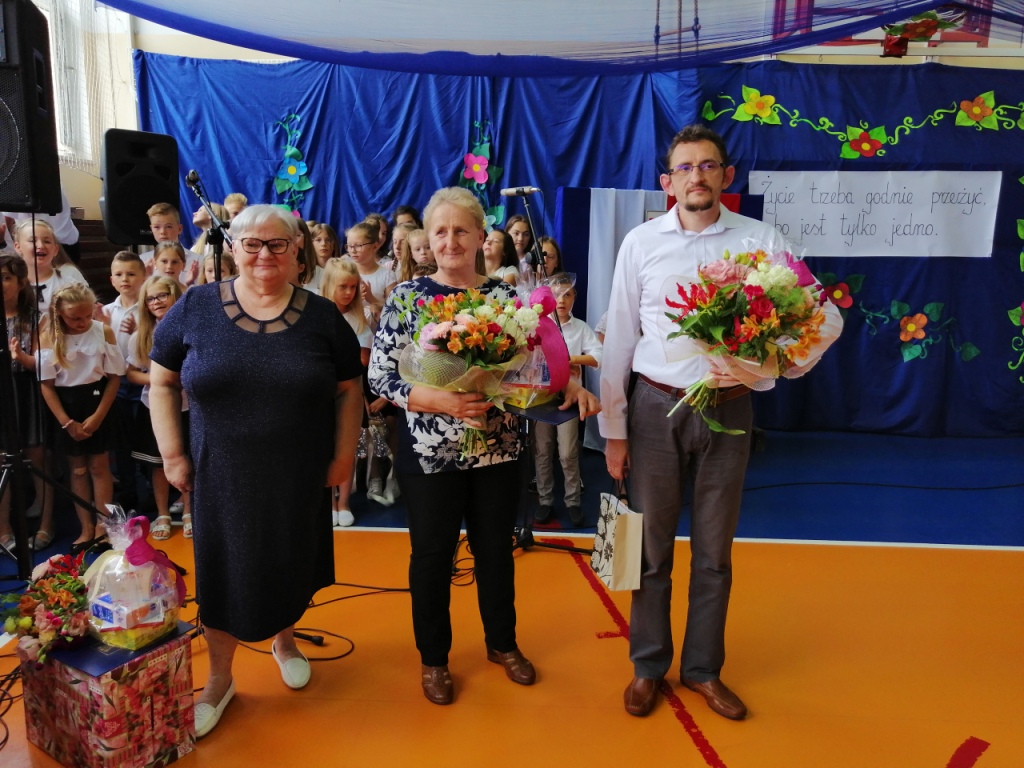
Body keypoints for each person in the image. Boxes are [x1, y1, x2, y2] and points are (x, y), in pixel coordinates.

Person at [599, 124, 843, 721]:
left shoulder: (761, 241)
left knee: (714, 552)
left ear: (726, 176)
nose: (697, 177)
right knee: (651, 552)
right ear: (668, 182)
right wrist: (614, 432)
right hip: (654, 409)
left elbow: (823, 317)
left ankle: (704, 670)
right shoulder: (640, 243)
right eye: (685, 167)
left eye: (708, 165)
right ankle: (647, 667)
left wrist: (769, 367)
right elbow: (620, 340)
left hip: (730, 409)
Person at [368, 186, 600, 706]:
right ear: (428, 239)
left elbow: (536, 365)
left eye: (461, 230)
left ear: (480, 236)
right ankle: (434, 658)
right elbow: (382, 377)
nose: (450, 240)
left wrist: (568, 384)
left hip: (499, 447)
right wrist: (440, 400)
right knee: (432, 556)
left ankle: (503, 643)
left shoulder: (505, 298)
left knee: (496, 550)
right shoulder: (406, 298)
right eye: (440, 231)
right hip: (430, 451)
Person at [148, 204, 364, 738]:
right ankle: (219, 679)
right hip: (219, 475)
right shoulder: (196, 306)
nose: (264, 254)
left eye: (277, 244)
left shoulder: (322, 317)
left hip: (298, 473)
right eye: (252, 244)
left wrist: (342, 457)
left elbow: (348, 390)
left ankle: (284, 641)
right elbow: (162, 381)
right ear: (234, 248)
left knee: (288, 560)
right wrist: (172, 454)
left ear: (296, 251)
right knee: (223, 574)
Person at [38, 283, 126, 548]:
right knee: (77, 470)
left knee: (99, 467)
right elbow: (46, 385)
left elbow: (114, 378)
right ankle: (85, 526)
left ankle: (102, 524)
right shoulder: (49, 337)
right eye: (75, 318)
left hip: (97, 402)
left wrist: (98, 416)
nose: (83, 322)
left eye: (88, 316)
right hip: (66, 408)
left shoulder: (103, 331)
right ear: (59, 313)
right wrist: (66, 422)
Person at [534, 273, 602, 528]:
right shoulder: (539, 325)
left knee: (568, 452)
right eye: (555, 295)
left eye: (567, 295)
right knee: (542, 451)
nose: (561, 300)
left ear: (574, 298)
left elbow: (598, 356)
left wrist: (571, 360)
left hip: (570, 399)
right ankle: (545, 500)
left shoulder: (580, 327)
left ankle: (573, 501)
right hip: (541, 399)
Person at [126, 277, 188, 540]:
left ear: (175, 295)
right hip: (154, 405)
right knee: (158, 463)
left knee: (189, 458)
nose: (156, 302)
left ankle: (189, 511)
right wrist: (158, 380)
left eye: (162, 295)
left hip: (188, 405)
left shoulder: (190, 328)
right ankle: (162, 513)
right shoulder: (142, 335)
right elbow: (131, 372)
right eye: (150, 298)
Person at [0, 255, 51, 551]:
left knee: (38, 460)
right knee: (2, 462)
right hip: (2, 392)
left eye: (6, 277)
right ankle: (4, 529)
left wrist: (21, 357)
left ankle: (46, 524)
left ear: (21, 283)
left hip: (27, 389)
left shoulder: (35, 318)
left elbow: (44, 364)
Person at [319, 257, 372, 528]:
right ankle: (328, 502)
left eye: (353, 287)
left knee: (346, 448)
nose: (349, 293)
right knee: (323, 448)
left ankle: (344, 503)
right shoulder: (315, 316)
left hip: (350, 393)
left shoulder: (360, 319)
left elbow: (362, 361)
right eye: (343, 287)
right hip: (321, 396)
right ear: (329, 285)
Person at [102, 251, 147, 515]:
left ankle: (152, 488)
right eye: (119, 274)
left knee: (147, 435)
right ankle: (129, 489)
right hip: (116, 382)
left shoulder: (148, 308)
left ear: (144, 276)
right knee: (122, 440)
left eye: (131, 274)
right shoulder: (106, 311)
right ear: (112, 279)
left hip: (142, 379)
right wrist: (103, 328)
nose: (125, 279)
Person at [12, 219, 87, 315]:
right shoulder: (11, 283)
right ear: (18, 247)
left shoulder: (71, 284)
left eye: (47, 241)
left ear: (55, 250)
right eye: (32, 241)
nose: (40, 245)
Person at [4, 187, 83, 263]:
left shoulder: (15, 184)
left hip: (51, 243)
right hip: (66, 240)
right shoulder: (53, 181)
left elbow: (7, 219)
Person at [139, 203, 201, 286]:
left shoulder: (198, 261)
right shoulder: (142, 261)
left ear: (179, 229)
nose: (162, 232)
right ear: (151, 229)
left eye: (168, 227)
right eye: (157, 227)